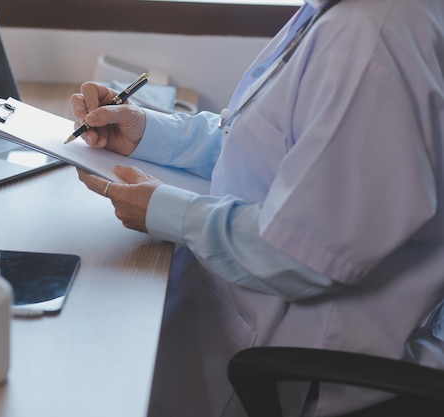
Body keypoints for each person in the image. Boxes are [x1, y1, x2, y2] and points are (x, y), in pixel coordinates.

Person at [69, 0, 444, 416]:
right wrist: (148, 132)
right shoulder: (333, 14)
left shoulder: (373, 39)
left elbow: (306, 253)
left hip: (294, 359)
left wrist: (164, 211)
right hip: (226, 305)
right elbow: (264, 148)